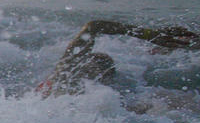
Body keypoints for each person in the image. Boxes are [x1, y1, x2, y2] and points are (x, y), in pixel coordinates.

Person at [37, 20, 199, 98]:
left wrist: (151, 35)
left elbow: (93, 27)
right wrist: (150, 34)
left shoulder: (65, 79)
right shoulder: (64, 76)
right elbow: (93, 26)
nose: (91, 67)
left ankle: (166, 47)